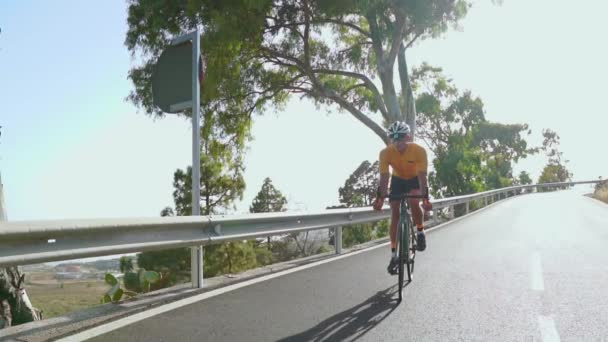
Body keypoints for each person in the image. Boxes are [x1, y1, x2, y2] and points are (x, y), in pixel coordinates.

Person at [372, 121, 432, 275]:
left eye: (400, 138)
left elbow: (422, 177)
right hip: (398, 180)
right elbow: (384, 177)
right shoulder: (385, 153)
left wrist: (425, 198)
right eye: (394, 138)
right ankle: (393, 255)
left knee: (413, 201)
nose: (397, 142)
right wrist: (380, 198)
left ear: (408, 137)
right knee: (394, 212)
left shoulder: (419, 151)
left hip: (414, 179)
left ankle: (420, 231)